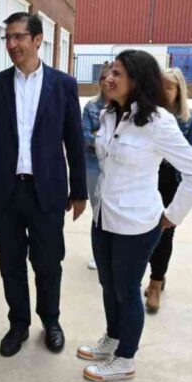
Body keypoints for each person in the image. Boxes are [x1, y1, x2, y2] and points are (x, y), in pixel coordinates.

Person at [77, 50, 192, 382]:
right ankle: (113, 337)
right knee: (108, 285)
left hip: (136, 224)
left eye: (117, 73)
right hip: (103, 217)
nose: (109, 78)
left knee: (126, 290)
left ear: (137, 80)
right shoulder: (109, 114)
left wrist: (173, 214)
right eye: (109, 72)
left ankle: (125, 359)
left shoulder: (158, 122)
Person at [0, 12, 87, 358]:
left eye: (18, 37)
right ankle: (18, 324)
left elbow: (74, 141)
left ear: (38, 40)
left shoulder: (63, 85)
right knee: (11, 263)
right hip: (4, 192)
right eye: (7, 38)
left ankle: (51, 320)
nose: (12, 44)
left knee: (49, 263)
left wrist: (78, 190)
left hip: (46, 191)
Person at [143, 67, 192, 312]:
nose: (164, 91)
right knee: (143, 231)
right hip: (148, 179)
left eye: (169, 86)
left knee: (165, 232)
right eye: (161, 85)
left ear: (179, 90)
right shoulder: (147, 115)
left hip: (172, 181)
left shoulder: (189, 117)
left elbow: (191, 159)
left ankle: (156, 282)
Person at [81, 64, 110, 270]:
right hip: (93, 164)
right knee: (97, 209)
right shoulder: (91, 107)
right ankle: (99, 255)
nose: (109, 83)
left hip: (116, 166)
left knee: (114, 209)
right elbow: (83, 135)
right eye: (104, 80)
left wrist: (98, 136)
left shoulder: (126, 107)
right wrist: (107, 140)